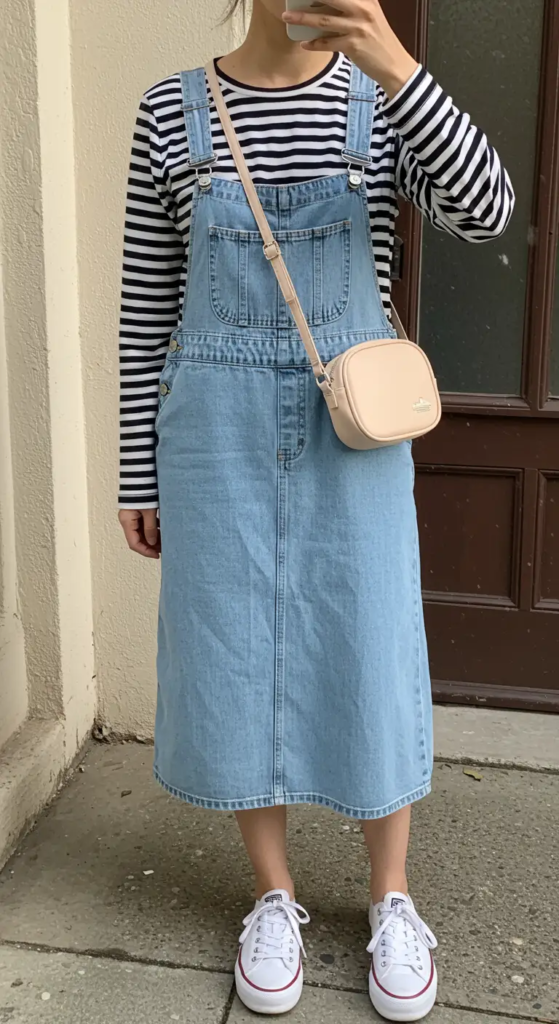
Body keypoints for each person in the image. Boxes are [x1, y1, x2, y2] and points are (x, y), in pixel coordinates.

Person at [117, 0, 514, 1018]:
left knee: (368, 645)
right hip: (213, 437)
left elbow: (489, 208)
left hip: (355, 435)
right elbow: (145, 307)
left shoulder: (382, 108)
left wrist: (394, 64)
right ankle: (274, 894)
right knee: (233, 650)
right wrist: (134, 470)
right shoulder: (170, 114)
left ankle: (391, 896)